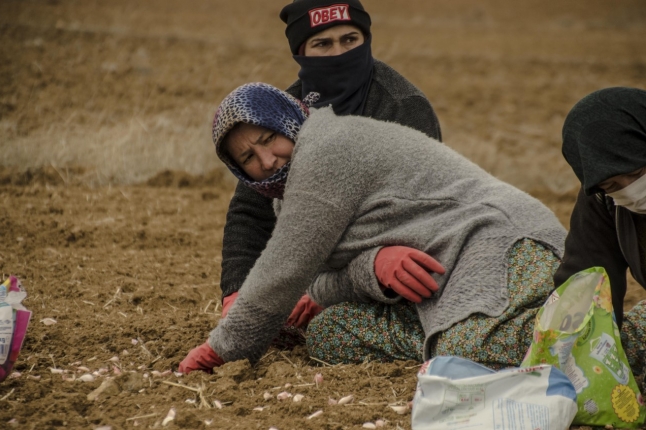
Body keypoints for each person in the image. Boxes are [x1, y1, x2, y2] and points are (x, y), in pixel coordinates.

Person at [180, 83, 577, 373]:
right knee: (329, 332)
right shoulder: (287, 195)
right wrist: (372, 267)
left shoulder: (326, 147)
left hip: (501, 241)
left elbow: (284, 271)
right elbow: (319, 279)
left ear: (287, 120)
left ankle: (624, 334)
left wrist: (222, 349)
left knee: (463, 349)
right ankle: (445, 341)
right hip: (440, 277)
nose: (266, 160)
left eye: (268, 138)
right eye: (248, 157)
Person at [219, 0, 442, 331]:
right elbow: (251, 212)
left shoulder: (401, 107)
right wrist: (236, 293)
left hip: (394, 269)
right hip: (317, 264)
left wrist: (325, 292)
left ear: (365, 39)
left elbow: (417, 220)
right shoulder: (283, 110)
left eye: (349, 40)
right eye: (323, 44)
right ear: (301, 52)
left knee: (329, 331)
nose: (339, 53)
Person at [554, 86, 646, 377]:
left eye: (635, 174)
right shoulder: (603, 201)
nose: (630, 191)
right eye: (613, 186)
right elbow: (589, 279)